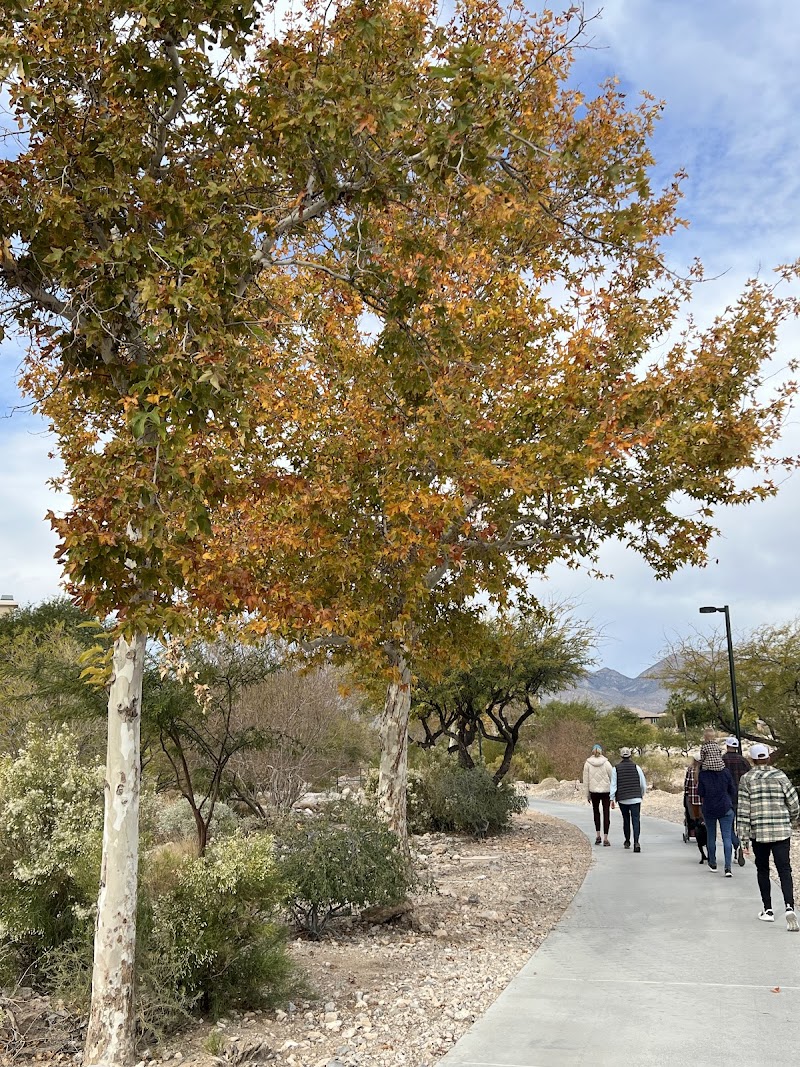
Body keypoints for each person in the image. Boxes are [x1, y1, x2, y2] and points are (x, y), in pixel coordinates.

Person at [737, 743, 800, 931]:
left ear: (753, 760)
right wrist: (791, 819)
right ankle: (789, 906)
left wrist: (743, 839)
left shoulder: (747, 779)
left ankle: (768, 910)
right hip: (781, 831)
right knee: (784, 869)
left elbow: (743, 811)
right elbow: (794, 803)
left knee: (763, 870)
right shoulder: (780, 776)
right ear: (768, 758)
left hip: (759, 833)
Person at [697, 747, 736, 875]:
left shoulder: (703, 774)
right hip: (725, 806)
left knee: (711, 836)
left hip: (709, 808)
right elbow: (732, 789)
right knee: (726, 837)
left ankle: (712, 863)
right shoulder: (725, 772)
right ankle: (728, 867)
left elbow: (700, 792)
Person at [610, 747, 647, 852]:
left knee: (626, 819)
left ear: (621, 756)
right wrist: (641, 795)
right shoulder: (637, 767)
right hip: (636, 798)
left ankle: (627, 840)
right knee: (636, 820)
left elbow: (613, 785)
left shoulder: (615, 769)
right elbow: (643, 784)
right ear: (630, 755)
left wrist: (612, 799)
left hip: (623, 799)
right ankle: (636, 842)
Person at [722, 737, 751, 866]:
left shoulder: (722, 760)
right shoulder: (744, 761)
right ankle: (742, 846)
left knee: (729, 825)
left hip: (727, 798)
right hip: (743, 798)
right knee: (742, 825)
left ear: (726, 746)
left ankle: (735, 844)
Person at [582, 744, 613, 846]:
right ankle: (606, 838)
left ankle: (598, 835)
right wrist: (613, 794)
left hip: (594, 791)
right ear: (601, 751)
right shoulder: (607, 763)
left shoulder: (587, 764)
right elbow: (613, 778)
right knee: (606, 813)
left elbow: (585, 781)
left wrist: (587, 795)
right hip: (606, 791)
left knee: (596, 813)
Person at [683, 754, 707, 863]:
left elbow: (687, 784)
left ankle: (695, 833)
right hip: (703, 800)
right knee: (703, 819)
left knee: (694, 818)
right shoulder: (705, 769)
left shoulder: (690, 769)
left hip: (693, 799)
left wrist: (686, 792)